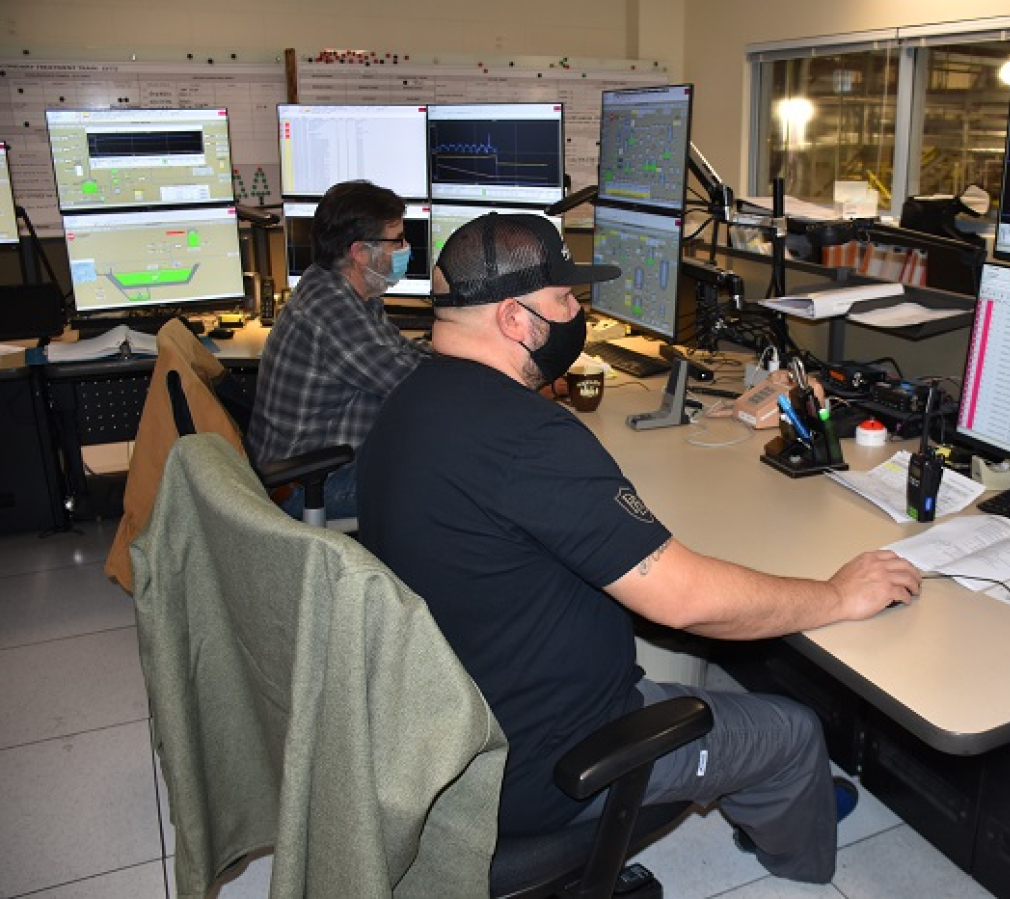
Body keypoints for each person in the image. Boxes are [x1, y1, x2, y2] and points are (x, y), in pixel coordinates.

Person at [356, 213, 922, 884]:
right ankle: (794, 861)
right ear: (513, 318)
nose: (579, 313)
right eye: (565, 299)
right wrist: (836, 594)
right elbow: (686, 602)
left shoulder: (408, 400)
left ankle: (732, 770)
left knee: (690, 683)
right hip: (544, 767)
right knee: (792, 730)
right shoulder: (526, 436)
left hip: (451, 731)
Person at [248, 179, 431, 520]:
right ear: (361, 253)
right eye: (398, 240)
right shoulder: (332, 311)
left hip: (320, 465)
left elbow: (402, 354)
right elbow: (413, 384)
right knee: (453, 480)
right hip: (310, 483)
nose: (406, 248)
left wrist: (455, 355)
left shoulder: (338, 289)